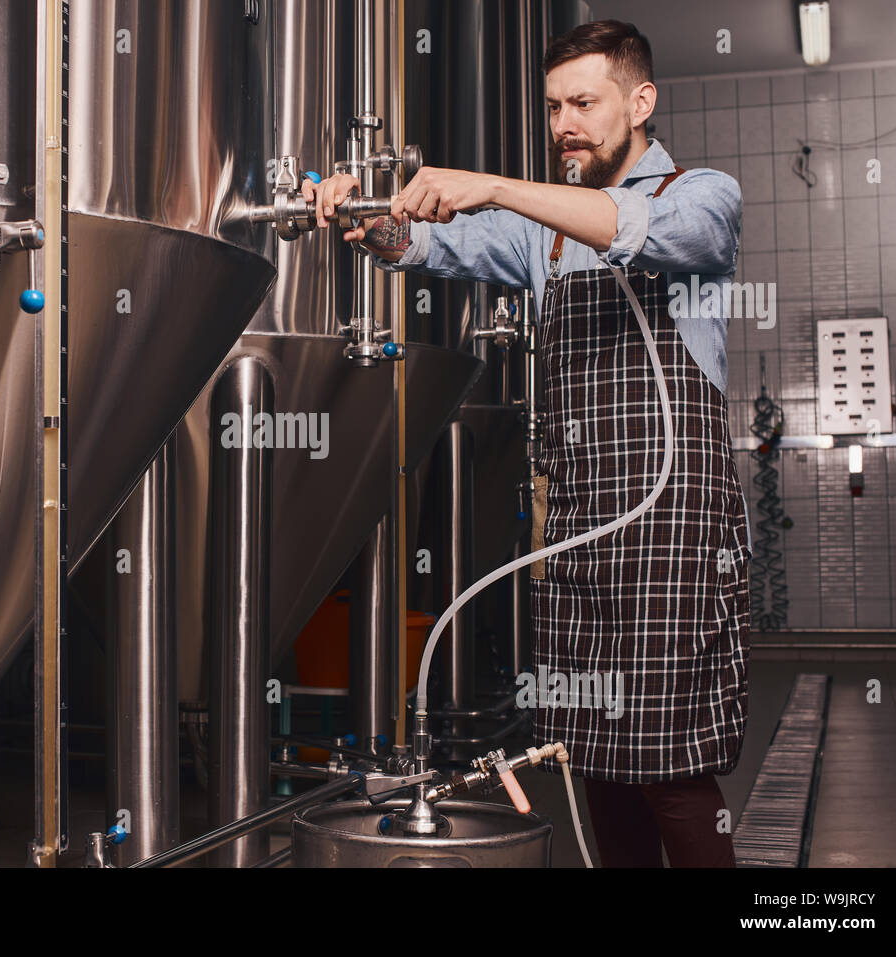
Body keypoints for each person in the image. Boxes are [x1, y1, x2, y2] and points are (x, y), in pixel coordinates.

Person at [305, 19, 751, 867]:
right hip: (577, 527)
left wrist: (495, 185)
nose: (564, 125)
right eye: (552, 107)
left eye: (583, 102)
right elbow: (427, 245)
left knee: (670, 766)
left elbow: (648, 233)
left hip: (671, 533)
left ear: (641, 101)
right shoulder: (539, 236)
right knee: (594, 755)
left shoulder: (702, 194)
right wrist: (365, 219)